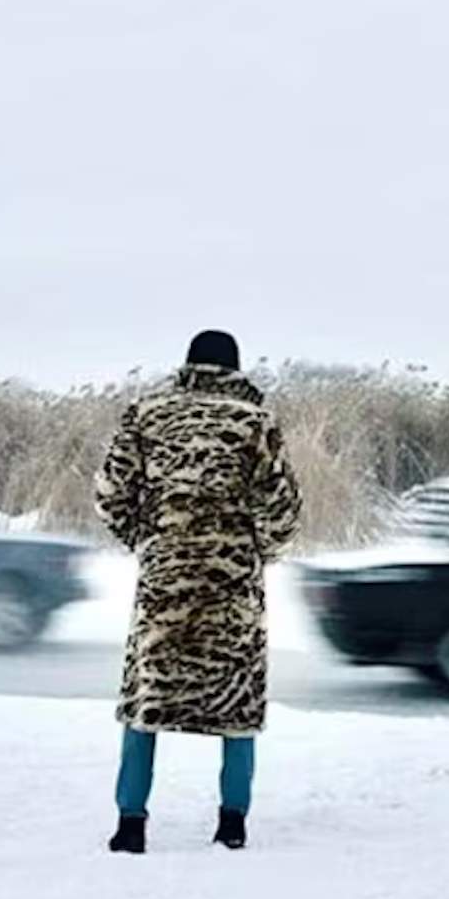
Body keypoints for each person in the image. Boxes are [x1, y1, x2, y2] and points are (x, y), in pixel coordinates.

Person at [94, 329, 302, 854]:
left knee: (149, 697)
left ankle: (130, 824)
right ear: (235, 370)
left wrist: (147, 539)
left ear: (186, 366)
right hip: (231, 586)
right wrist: (258, 552)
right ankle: (232, 823)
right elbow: (281, 511)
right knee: (235, 702)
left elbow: (111, 494)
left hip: (165, 581)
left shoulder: (146, 415)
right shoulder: (256, 423)